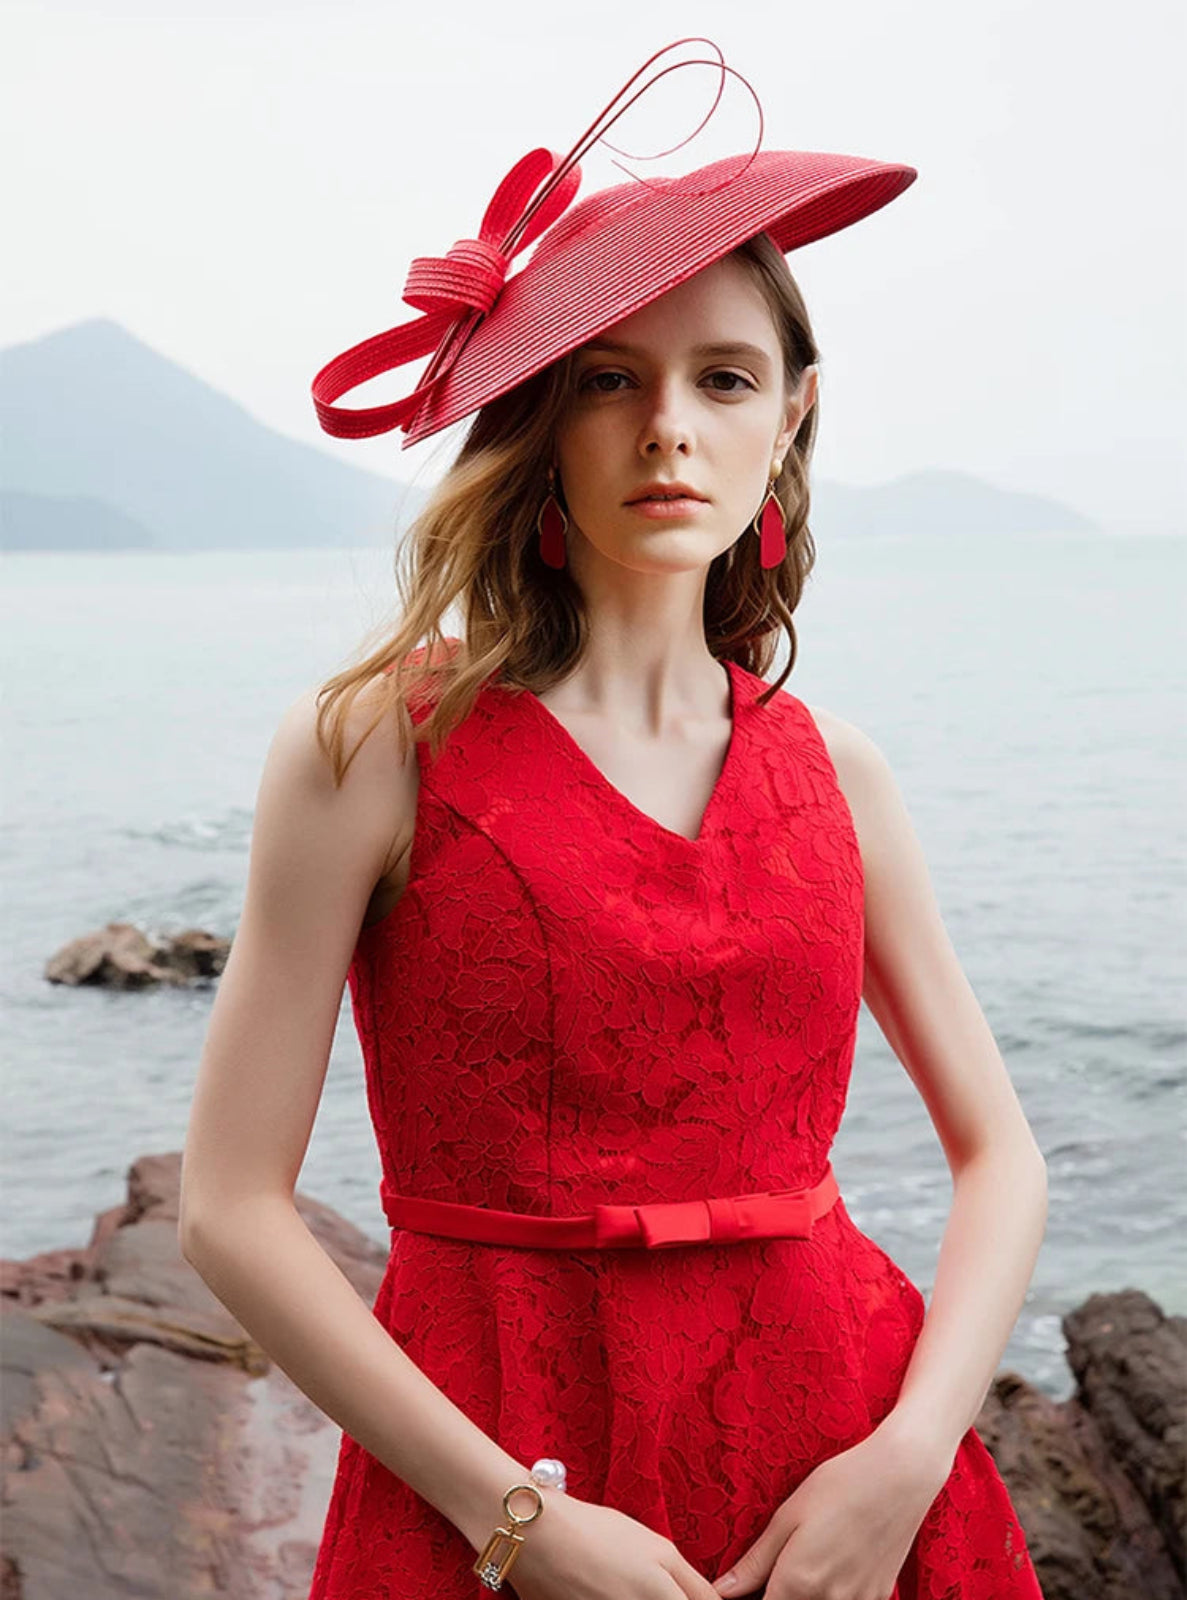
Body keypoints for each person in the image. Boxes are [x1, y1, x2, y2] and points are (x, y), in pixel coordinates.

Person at [178, 40, 1049, 1600]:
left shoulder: (837, 774)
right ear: (538, 426)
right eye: (608, 381)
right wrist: (512, 1517)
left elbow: (1002, 1158)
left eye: (722, 378)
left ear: (791, 417)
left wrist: (910, 1455)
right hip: (504, 1475)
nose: (668, 428)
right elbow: (230, 1207)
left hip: (843, 1473)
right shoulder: (377, 745)